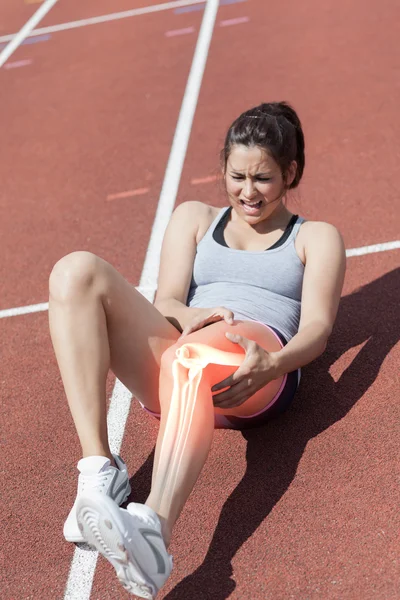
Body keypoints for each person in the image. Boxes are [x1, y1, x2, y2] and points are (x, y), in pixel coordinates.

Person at [48, 101, 346, 598]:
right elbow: (166, 300)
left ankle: (154, 533)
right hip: (185, 350)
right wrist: (191, 318)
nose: (248, 192)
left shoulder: (316, 237)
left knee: (193, 357)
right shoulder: (193, 217)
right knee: (74, 270)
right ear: (223, 167)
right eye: (237, 176)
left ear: (290, 172)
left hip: (255, 367)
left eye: (264, 179)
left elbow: (317, 328)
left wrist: (275, 362)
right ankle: (100, 471)